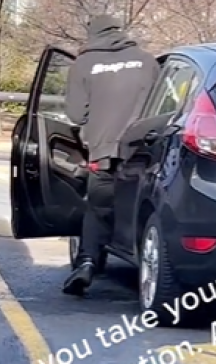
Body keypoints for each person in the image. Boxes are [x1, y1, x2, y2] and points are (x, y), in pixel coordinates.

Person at [62, 15, 160, 295]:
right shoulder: (146, 61)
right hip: (141, 150)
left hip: (102, 150)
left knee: (97, 206)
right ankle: (140, 258)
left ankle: (88, 261)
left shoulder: (84, 64)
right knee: (140, 206)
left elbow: (76, 113)